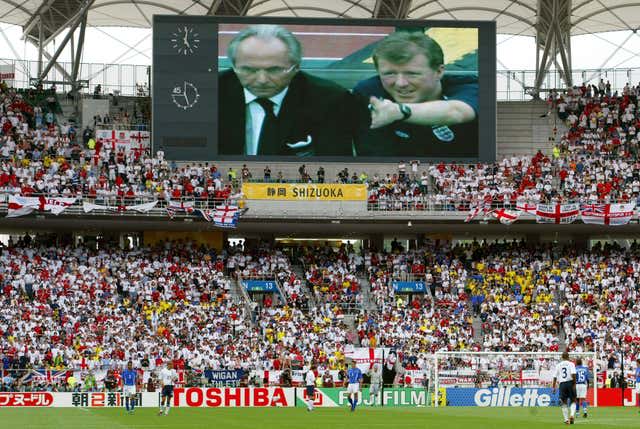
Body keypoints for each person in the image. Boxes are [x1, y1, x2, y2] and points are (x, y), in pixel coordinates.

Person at [218, 24, 355, 156]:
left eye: (274, 70)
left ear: (295, 68)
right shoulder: (211, 91)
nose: (262, 80)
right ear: (234, 66)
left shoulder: (331, 100)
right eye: (248, 70)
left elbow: (334, 162)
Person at [353, 30, 478, 157]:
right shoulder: (369, 93)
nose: (401, 83)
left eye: (412, 74)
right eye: (389, 73)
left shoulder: (470, 87)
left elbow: (456, 112)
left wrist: (399, 111)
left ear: (439, 71)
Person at [552, 351, 577, 425]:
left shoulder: (558, 365)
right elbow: (573, 374)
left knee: (564, 402)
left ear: (562, 357)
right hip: (570, 383)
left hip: (562, 384)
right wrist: (574, 383)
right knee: (573, 401)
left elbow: (555, 377)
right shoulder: (571, 364)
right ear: (568, 357)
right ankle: (572, 415)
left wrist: (553, 387)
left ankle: (566, 420)